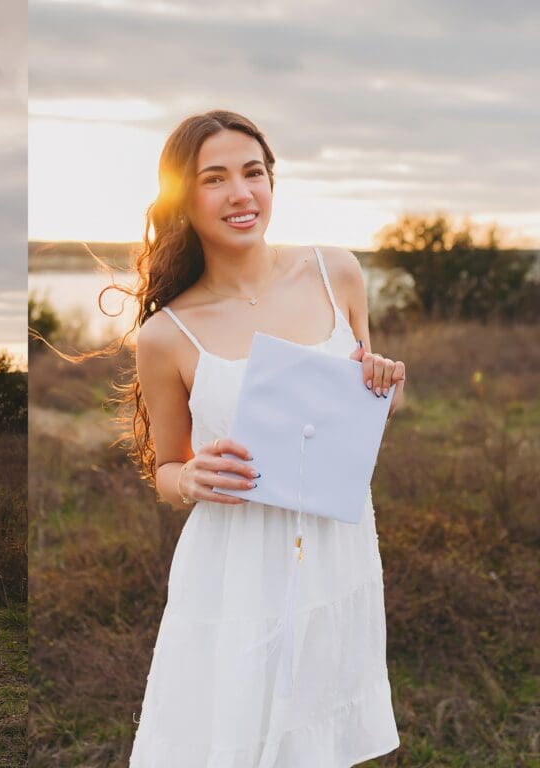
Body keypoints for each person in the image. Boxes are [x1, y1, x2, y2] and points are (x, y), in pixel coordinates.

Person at [124, 111, 405, 766]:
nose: (240, 194)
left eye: (253, 173)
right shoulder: (166, 334)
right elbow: (167, 471)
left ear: (272, 181)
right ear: (183, 198)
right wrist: (190, 478)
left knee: (319, 740)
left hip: (335, 550)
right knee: (232, 741)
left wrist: (383, 386)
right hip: (236, 567)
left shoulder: (336, 272)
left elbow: (366, 403)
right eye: (214, 179)